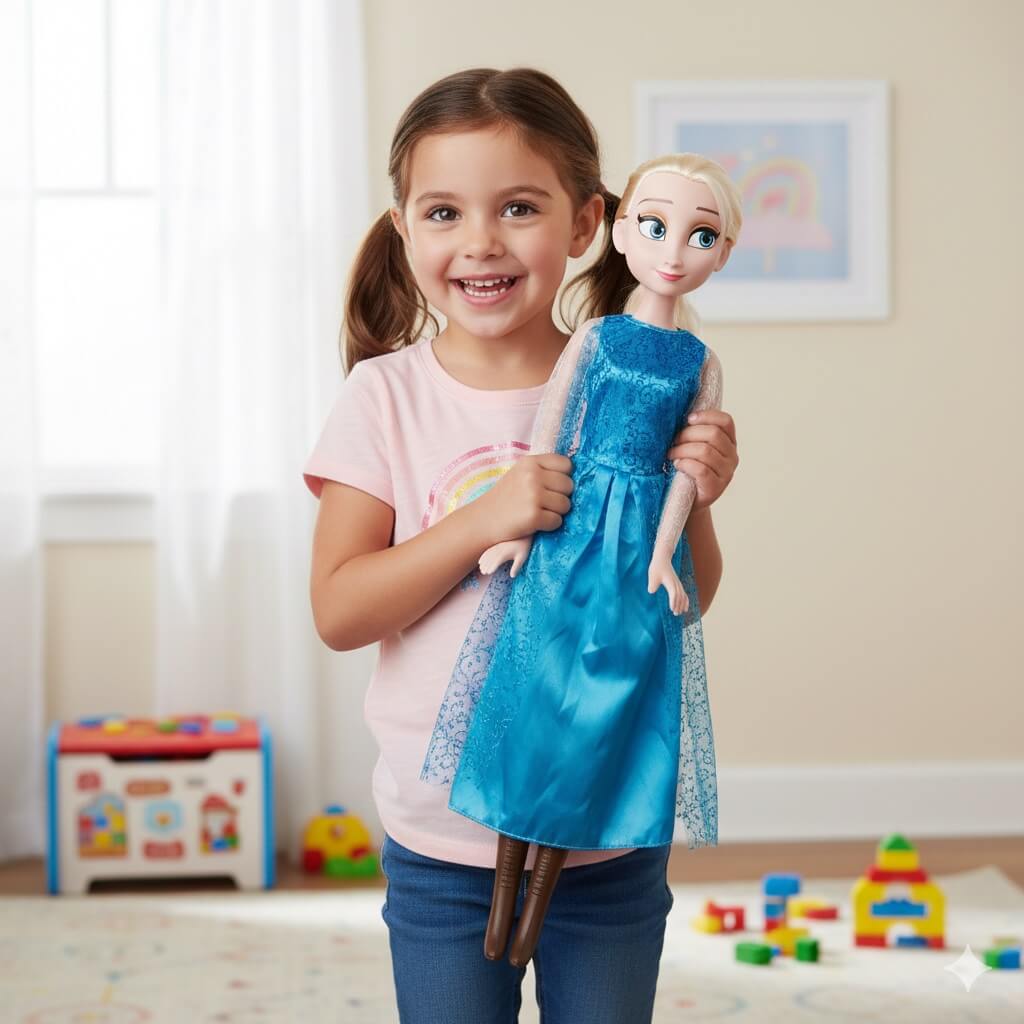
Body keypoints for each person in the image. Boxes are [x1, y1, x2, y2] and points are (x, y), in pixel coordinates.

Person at [305, 67, 740, 1024]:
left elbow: (685, 600)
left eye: (518, 207)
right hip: (443, 844)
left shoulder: (638, 380)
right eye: (444, 212)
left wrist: (697, 493)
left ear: (588, 224)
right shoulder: (384, 398)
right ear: (403, 228)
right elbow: (339, 610)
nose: (481, 242)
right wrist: (480, 521)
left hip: (607, 827)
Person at [421, 153, 742, 967]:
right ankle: (505, 899)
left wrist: (666, 557)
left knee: (596, 713)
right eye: (657, 226)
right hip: (569, 526)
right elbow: (552, 432)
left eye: (701, 235)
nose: (675, 251)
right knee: (531, 698)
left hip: (636, 546)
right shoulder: (598, 339)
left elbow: (685, 475)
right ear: (623, 230)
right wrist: (516, 528)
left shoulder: (699, 364)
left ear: (723, 252)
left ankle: (534, 908)